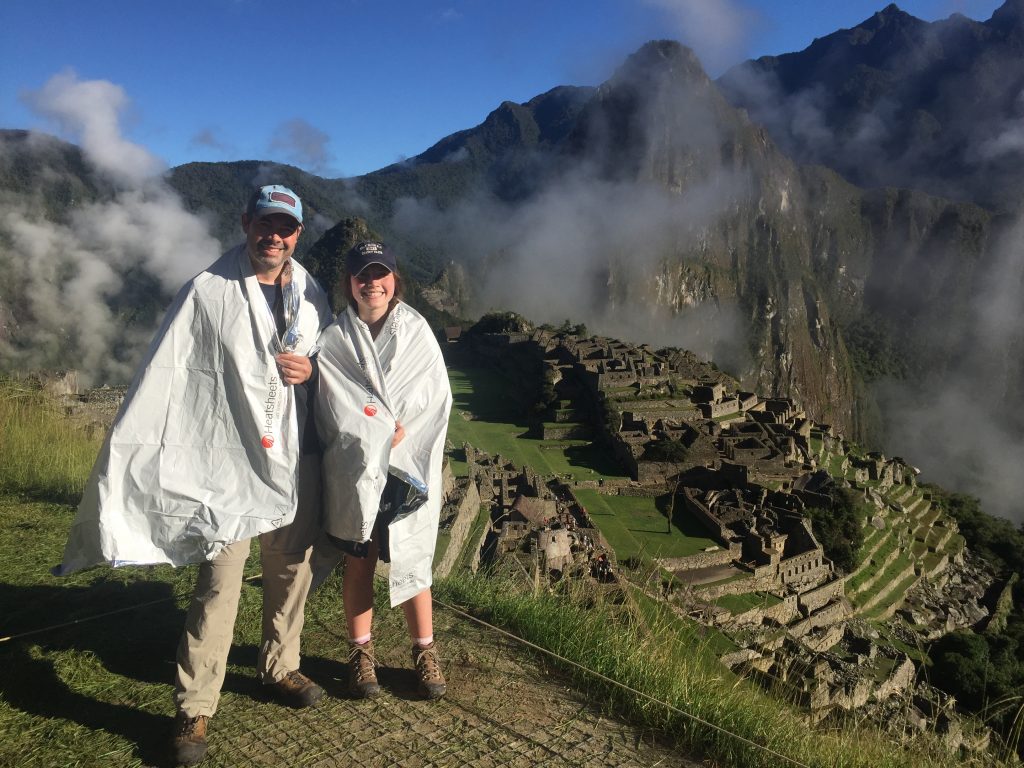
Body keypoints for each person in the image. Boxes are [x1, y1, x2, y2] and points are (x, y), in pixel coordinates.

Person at [55, 185, 333, 766]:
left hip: (296, 453)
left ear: (297, 234)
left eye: (285, 227)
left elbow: (329, 359)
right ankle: (195, 705)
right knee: (219, 581)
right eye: (265, 224)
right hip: (227, 462)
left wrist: (311, 369)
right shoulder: (208, 291)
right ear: (245, 222)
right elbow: (176, 372)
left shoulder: (311, 292)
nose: (273, 236)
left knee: (290, 570)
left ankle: (280, 667)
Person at [314, 241, 452, 700]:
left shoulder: (416, 331)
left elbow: (435, 398)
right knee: (360, 557)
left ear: (394, 280)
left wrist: (403, 429)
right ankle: (361, 652)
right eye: (362, 275)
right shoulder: (335, 339)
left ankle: (425, 650)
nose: (372, 282)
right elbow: (331, 404)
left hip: (406, 462)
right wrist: (370, 431)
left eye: (380, 274)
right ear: (349, 283)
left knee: (413, 556)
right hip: (358, 463)